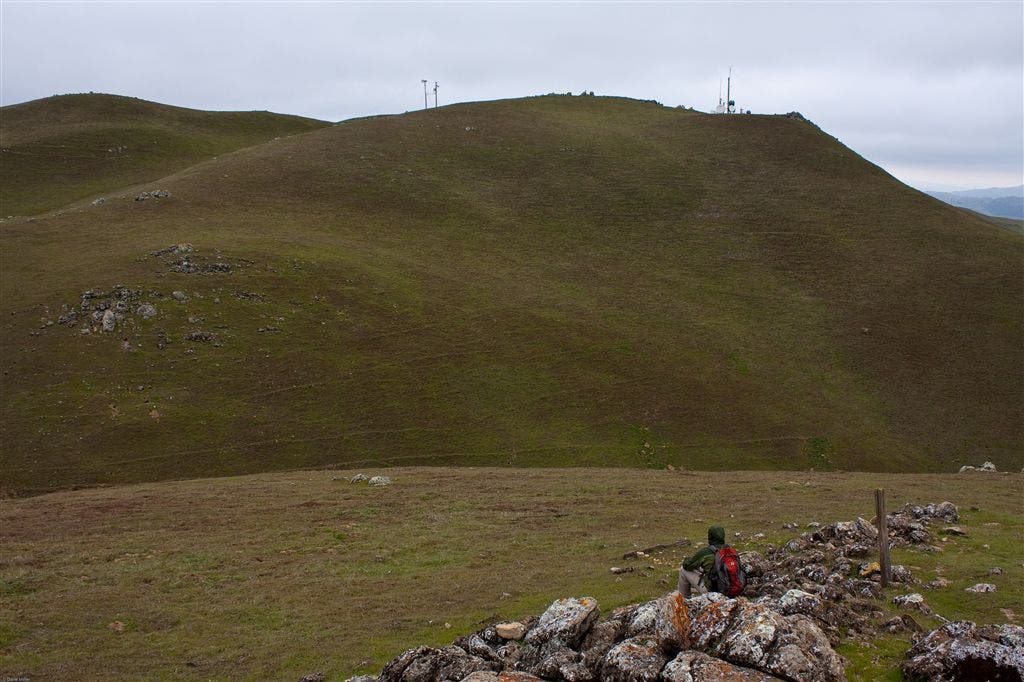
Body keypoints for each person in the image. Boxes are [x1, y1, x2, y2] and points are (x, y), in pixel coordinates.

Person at [677, 525, 726, 598]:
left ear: (710, 537)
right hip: (730, 588)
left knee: (683, 570)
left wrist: (687, 559)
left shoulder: (706, 552)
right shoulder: (731, 550)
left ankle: (684, 600)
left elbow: (687, 565)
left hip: (712, 590)